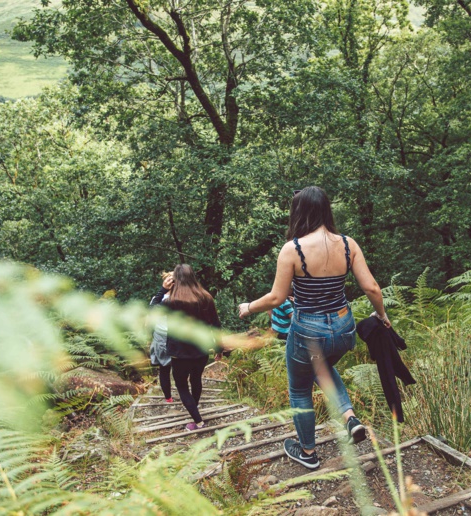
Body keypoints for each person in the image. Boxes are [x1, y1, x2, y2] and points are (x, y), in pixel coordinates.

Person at [238, 186, 390, 470]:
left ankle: (307, 451)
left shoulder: (292, 249)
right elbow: (371, 286)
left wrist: (248, 307)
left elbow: (276, 298)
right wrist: (381, 315)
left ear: (299, 212)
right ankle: (349, 417)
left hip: (309, 329)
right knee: (321, 368)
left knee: (299, 388)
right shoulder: (348, 244)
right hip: (344, 326)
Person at [166, 264, 222, 431]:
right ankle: (194, 410)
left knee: (182, 386)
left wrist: (162, 290)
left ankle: (198, 421)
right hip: (201, 350)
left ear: (175, 279)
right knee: (196, 380)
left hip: (179, 353)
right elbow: (216, 325)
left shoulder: (172, 301)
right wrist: (218, 348)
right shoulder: (206, 298)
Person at [149, 271, 174, 403]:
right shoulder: (182, 298)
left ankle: (168, 398)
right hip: (174, 337)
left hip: (160, 337)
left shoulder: (157, 299)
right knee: (182, 368)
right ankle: (185, 395)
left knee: (164, 369)